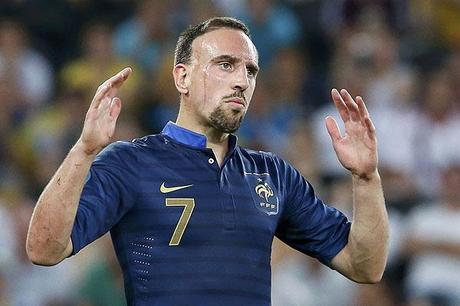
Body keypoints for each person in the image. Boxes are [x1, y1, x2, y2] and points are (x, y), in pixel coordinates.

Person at [26, 17, 389, 305]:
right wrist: (84, 151)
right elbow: (44, 248)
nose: (242, 82)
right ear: (182, 77)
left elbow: (365, 266)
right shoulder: (131, 163)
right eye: (225, 65)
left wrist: (366, 177)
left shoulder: (273, 174)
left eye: (250, 71)